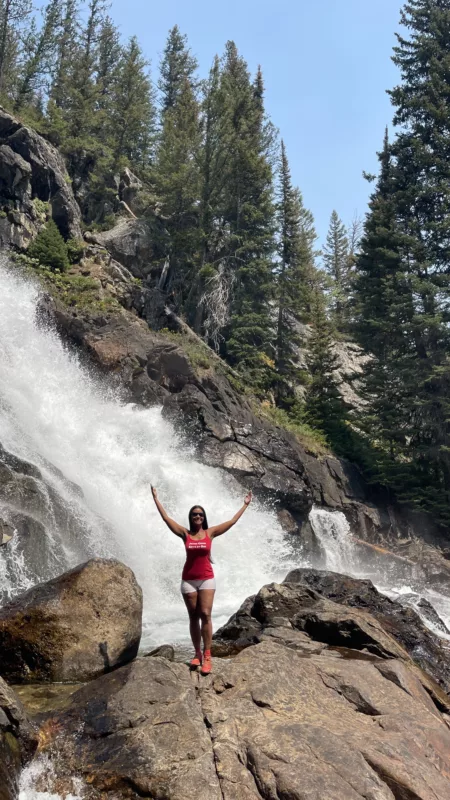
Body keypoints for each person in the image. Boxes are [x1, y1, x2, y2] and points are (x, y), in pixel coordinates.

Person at [151, 486, 252, 675]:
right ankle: (196, 653)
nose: (198, 517)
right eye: (195, 515)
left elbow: (231, 522)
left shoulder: (210, 533)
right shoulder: (185, 534)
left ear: (204, 518)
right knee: (193, 617)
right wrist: (156, 498)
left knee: (205, 614)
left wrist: (244, 505)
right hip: (188, 580)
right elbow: (166, 519)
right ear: (191, 517)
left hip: (206, 579)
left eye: (201, 515)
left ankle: (207, 654)